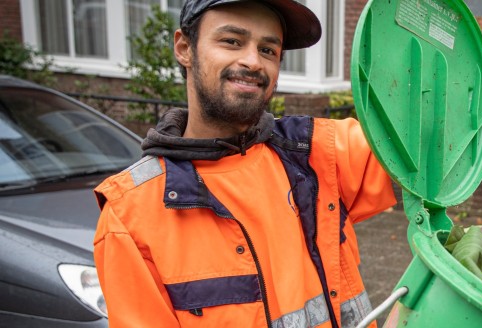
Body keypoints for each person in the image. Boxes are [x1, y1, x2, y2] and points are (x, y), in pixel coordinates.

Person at [92, 1, 396, 327]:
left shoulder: (320, 152)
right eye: (232, 41)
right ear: (184, 48)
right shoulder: (130, 218)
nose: (253, 61)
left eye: (267, 49)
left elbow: (426, 139)